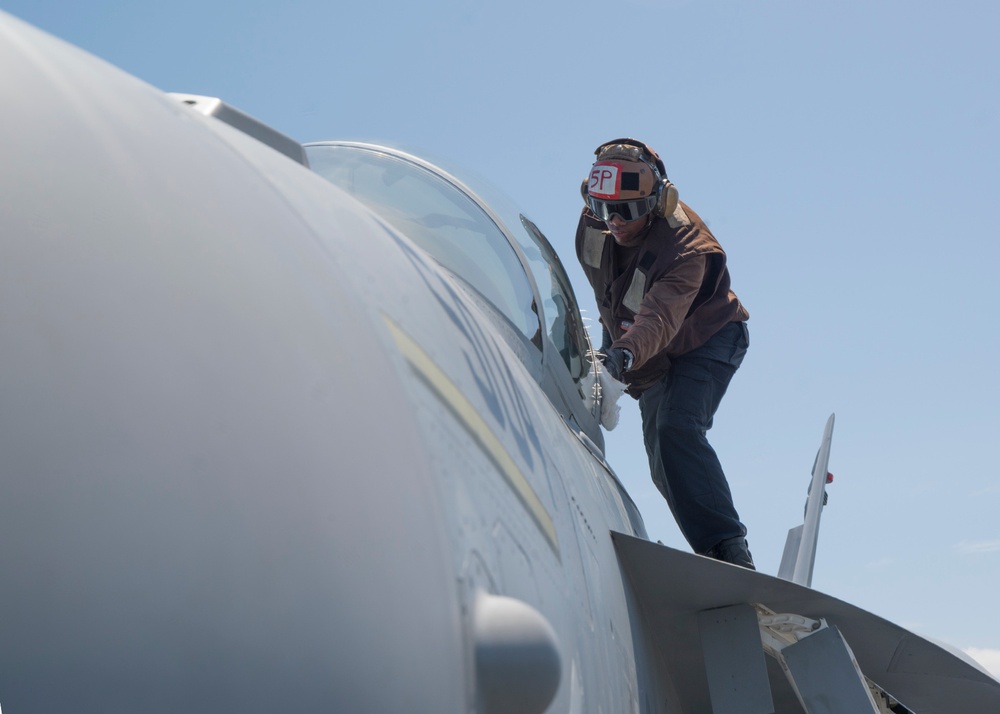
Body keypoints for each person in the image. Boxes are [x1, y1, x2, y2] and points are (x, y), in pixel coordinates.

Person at [575, 138, 754, 569]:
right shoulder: (594, 225)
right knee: (661, 459)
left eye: (629, 211)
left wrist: (621, 357)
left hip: (706, 339)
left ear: (658, 200)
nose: (615, 221)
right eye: (604, 209)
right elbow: (610, 299)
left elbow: (659, 317)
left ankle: (729, 555)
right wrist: (606, 354)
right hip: (641, 347)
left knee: (676, 430)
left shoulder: (687, 248)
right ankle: (714, 551)